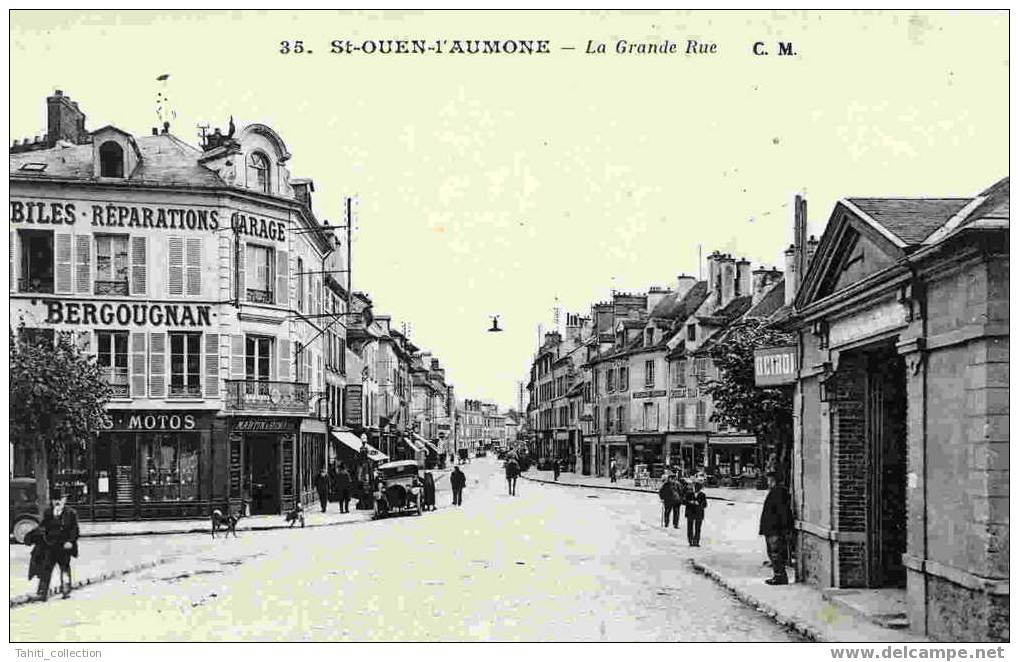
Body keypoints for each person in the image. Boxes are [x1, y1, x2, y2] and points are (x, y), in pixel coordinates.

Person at [27, 488, 80, 601]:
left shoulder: (70, 513)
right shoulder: (48, 512)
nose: (57, 502)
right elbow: (43, 526)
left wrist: (70, 542)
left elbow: (74, 530)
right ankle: (42, 592)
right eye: (55, 499)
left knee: (64, 568)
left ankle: (66, 589)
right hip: (50, 546)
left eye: (60, 499)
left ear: (64, 500)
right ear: (51, 501)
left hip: (64, 546)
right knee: (46, 568)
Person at [760, 471, 794, 585]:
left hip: (775, 528)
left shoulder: (778, 492)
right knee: (773, 553)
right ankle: (778, 575)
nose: (768, 482)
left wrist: (784, 528)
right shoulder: (775, 492)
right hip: (772, 528)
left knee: (776, 553)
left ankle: (780, 576)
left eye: (769, 479)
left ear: (773, 480)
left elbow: (782, 512)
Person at [685, 481, 708, 546]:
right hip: (690, 512)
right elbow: (684, 501)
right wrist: (690, 502)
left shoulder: (702, 495)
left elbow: (705, 505)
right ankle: (690, 541)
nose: (696, 489)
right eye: (695, 487)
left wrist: (699, 504)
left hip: (698, 513)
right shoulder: (689, 494)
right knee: (690, 528)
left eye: (697, 488)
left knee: (698, 528)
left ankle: (696, 541)